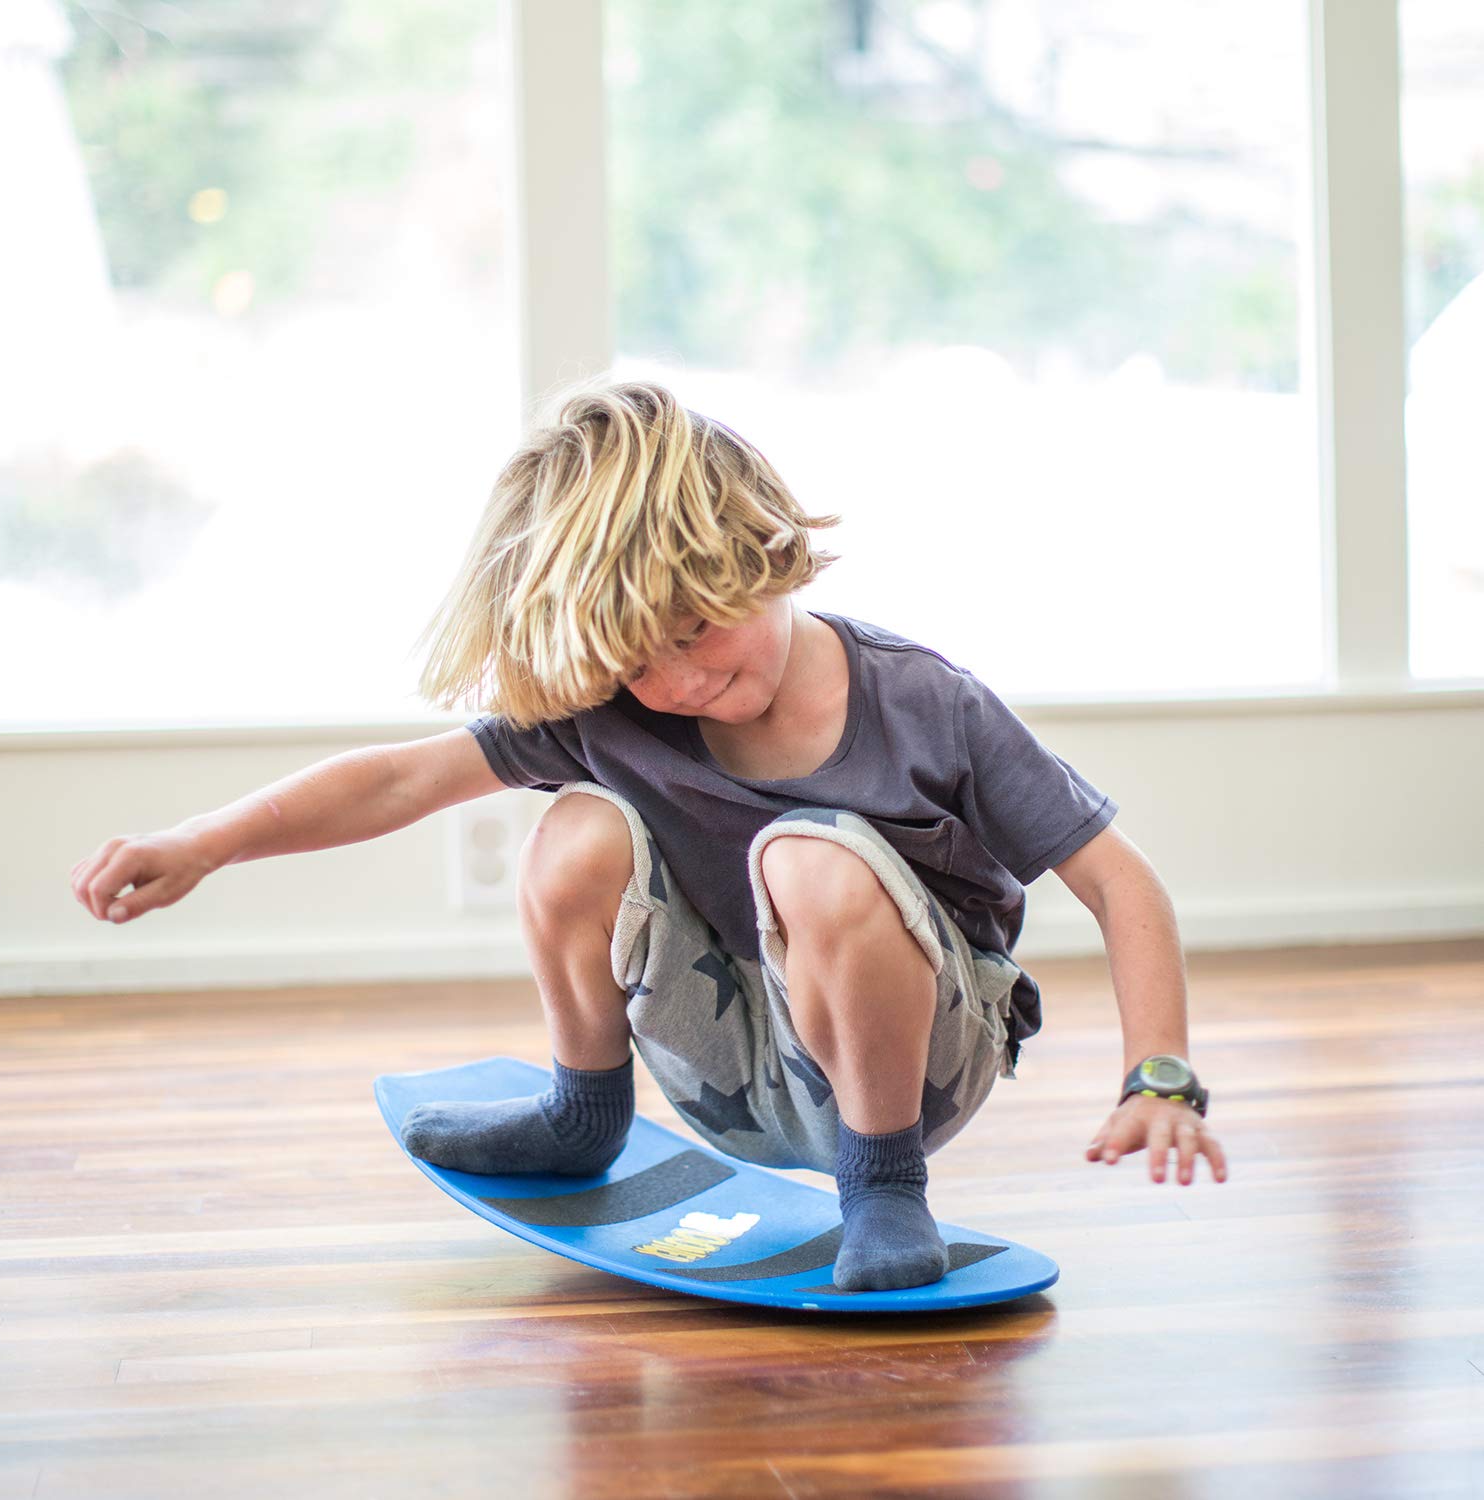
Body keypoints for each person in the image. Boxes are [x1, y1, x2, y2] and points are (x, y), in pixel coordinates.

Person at [68, 378, 1229, 1293]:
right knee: (578, 828)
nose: (677, 680)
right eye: (634, 658)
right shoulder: (617, 714)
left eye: (693, 628)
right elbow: (395, 783)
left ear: (759, 549)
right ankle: (586, 1110)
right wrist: (203, 843)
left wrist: (1161, 1078)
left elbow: (1123, 886)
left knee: (810, 853)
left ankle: (883, 1186)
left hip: (921, 1064)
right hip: (731, 1063)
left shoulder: (925, 701)